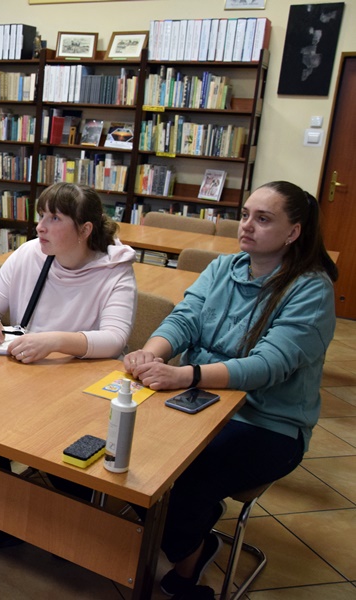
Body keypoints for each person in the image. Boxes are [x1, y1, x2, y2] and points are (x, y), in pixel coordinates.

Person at [123, 181, 337, 598]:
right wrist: (152, 353)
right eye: (245, 215)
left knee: (182, 481)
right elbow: (183, 319)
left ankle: (190, 568)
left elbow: (267, 366)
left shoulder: (311, 288)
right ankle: (185, 528)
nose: (247, 226)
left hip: (266, 423)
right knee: (125, 451)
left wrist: (187, 375)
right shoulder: (224, 267)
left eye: (263, 219)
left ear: (293, 232)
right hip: (197, 401)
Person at [0, 181, 138, 560]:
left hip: (76, 390)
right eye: (41, 215)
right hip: (25, 375)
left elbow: (114, 339)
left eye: (54, 218)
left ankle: (63, 527)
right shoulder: (30, 254)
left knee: (64, 459)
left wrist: (55, 340)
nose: (40, 226)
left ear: (85, 230)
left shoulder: (114, 269)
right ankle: (1, 518)